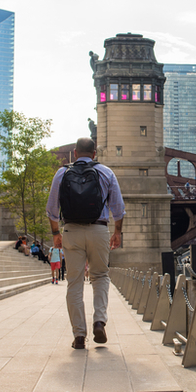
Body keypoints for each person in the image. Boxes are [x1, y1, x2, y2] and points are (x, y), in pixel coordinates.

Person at [47, 137, 125, 350]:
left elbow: (52, 209)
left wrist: (56, 234)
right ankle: (99, 320)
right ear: (94, 154)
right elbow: (118, 208)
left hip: (71, 230)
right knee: (100, 276)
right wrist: (117, 232)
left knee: (74, 282)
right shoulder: (106, 172)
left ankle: (79, 336)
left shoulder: (62, 173)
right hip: (99, 229)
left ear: (74, 152)